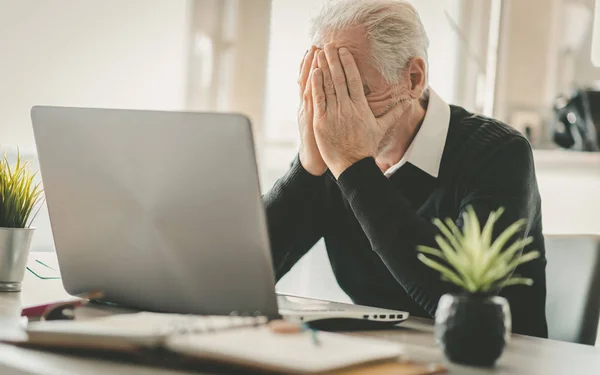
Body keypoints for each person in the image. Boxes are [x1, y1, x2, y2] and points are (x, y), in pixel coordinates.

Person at [264, 0, 547, 338]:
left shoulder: (499, 153)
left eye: (356, 91)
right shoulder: (331, 155)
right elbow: (238, 277)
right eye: (326, 90)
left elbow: (458, 299)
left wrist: (354, 167)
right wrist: (307, 167)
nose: (339, 112)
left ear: (413, 79)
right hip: (378, 358)